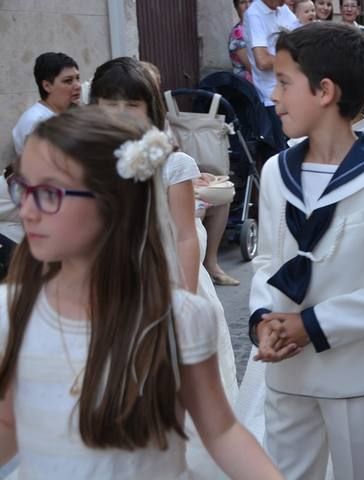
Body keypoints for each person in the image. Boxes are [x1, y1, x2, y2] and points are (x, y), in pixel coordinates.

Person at [0, 107, 282, 479]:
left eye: (49, 192)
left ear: (113, 204)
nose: (27, 211)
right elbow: (8, 422)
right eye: (23, 188)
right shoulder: (12, 311)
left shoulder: (180, 318)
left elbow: (222, 431)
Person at [248, 23, 364, 479]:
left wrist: (312, 324)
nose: (274, 96)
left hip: (358, 373)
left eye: (285, 83)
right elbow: (267, 260)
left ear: (325, 91)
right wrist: (262, 321)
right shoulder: (274, 173)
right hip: (288, 369)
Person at [88, 58, 243, 476]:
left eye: (131, 107)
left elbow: (184, 234)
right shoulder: (89, 165)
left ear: (152, 109)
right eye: (108, 107)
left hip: (168, 284)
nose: (120, 118)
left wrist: (184, 299)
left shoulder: (174, 165)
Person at [243, 0, 298, 146]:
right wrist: (293, 60)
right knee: (284, 149)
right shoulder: (254, 14)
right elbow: (262, 61)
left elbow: (302, 36)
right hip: (272, 96)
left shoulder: (282, 9)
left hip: (294, 90)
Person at [12, 52, 81, 156]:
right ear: (47, 86)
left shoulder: (71, 112)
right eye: (68, 81)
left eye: (78, 78)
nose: (78, 86)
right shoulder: (35, 121)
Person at [229, 0, 253, 81]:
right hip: (248, 87)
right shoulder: (238, 34)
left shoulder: (257, 28)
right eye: (242, 2)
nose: (248, 6)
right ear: (236, 8)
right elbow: (252, 69)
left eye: (251, 1)